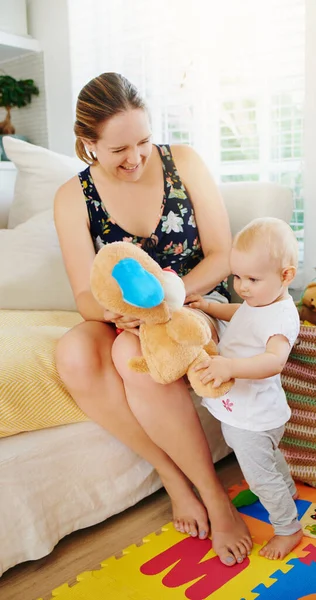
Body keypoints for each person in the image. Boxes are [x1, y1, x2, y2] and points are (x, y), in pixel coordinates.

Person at [54, 72, 252, 566]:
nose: (136, 156)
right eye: (119, 148)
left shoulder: (181, 162)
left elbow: (223, 255)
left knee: (131, 354)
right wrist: (121, 312)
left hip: (196, 303)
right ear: (88, 145)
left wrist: (172, 296)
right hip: (125, 316)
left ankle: (212, 496)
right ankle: (171, 475)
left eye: (143, 139)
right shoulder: (73, 196)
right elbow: (83, 294)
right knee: (74, 355)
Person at [187, 217, 303, 560]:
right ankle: (290, 492)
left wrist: (231, 367)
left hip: (257, 418)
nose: (243, 286)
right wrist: (210, 306)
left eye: (253, 278)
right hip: (244, 415)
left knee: (259, 477)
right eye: (237, 276)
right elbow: (240, 313)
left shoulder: (281, 317)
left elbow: (274, 361)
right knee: (270, 462)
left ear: (286, 276)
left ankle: (288, 529)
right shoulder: (259, 302)